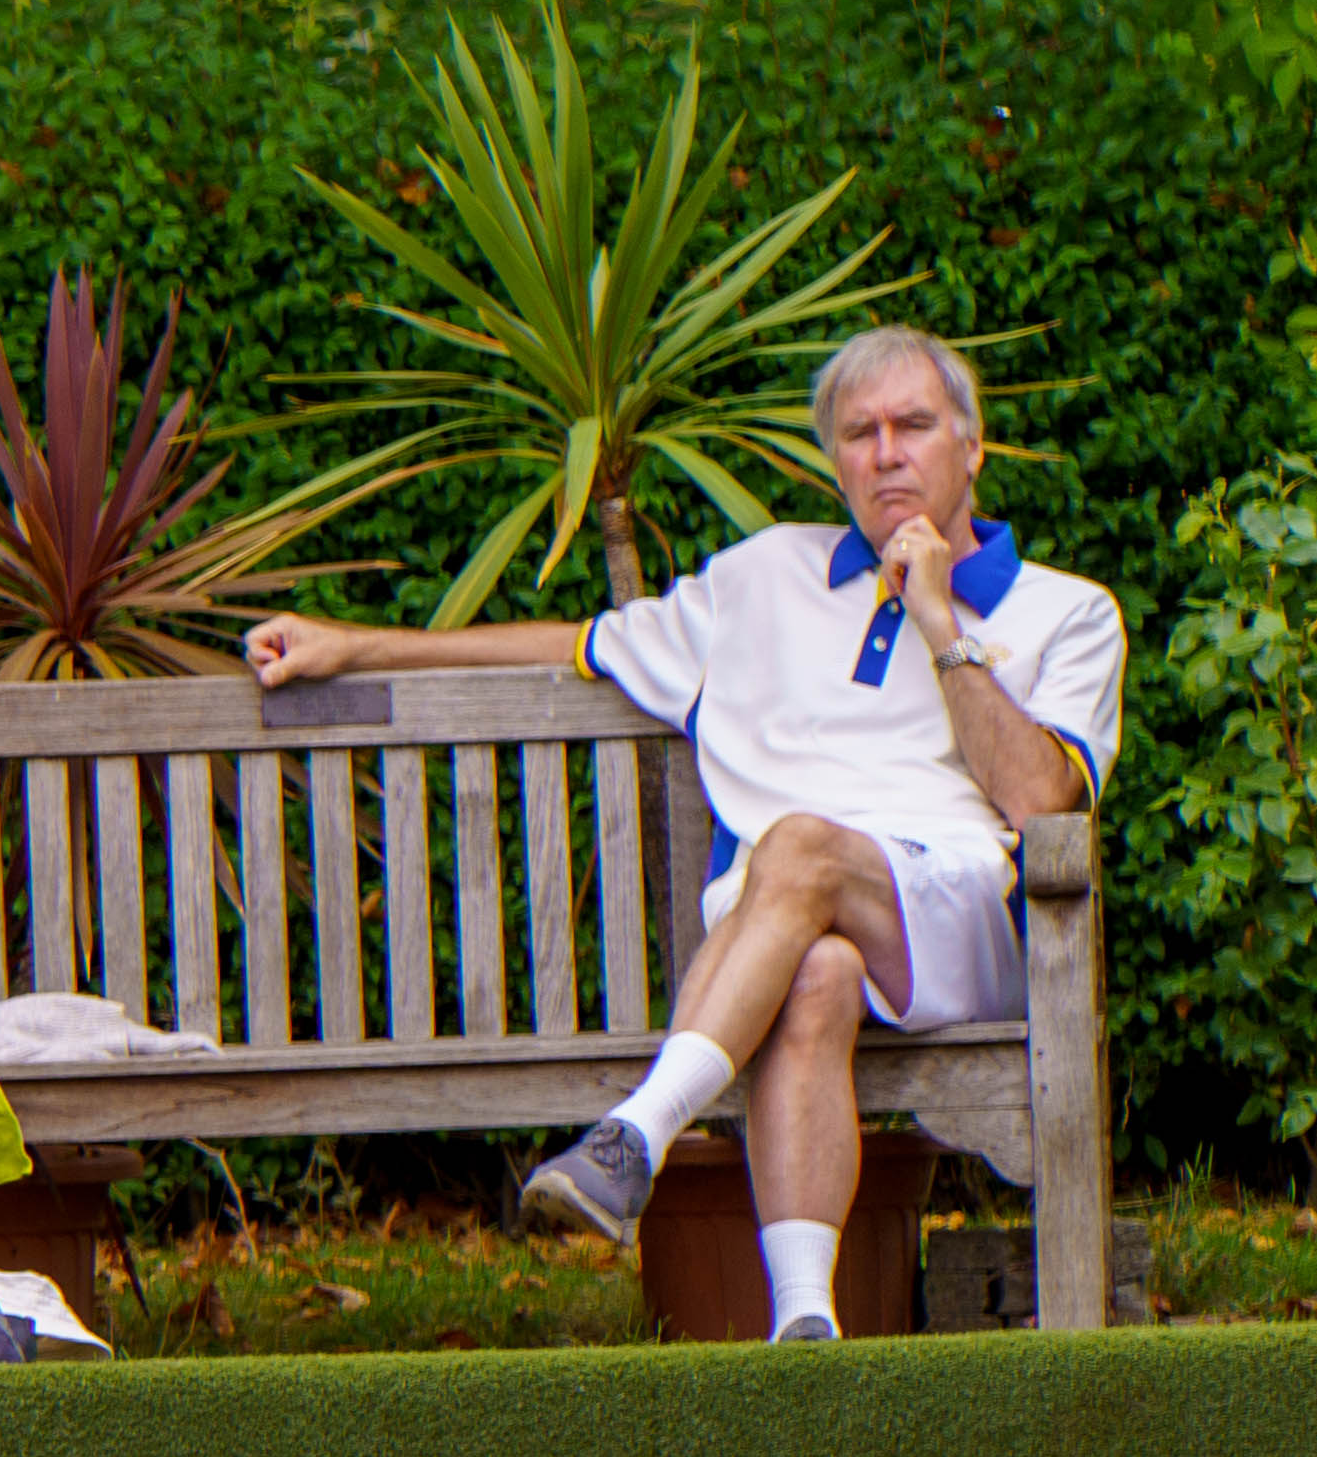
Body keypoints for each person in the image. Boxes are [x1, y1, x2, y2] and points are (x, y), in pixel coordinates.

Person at [244, 324, 1127, 1338]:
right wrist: (353, 643)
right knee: (816, 972)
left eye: (913, 426)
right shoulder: (760, 578)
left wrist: (939, 621)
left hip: (954, 920)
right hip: (777, 926)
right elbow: (576, 644)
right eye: (858, 432)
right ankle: (805, 1323)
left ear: (970, 449)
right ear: (833, 458)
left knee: (798, 842)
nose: (886, 451)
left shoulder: (1069, 612)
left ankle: (638, 1131)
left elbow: (1038, 800)